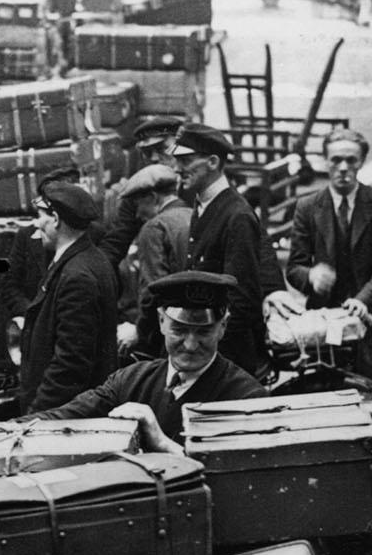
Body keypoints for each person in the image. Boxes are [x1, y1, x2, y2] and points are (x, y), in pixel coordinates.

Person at [37, 271, 266, 449]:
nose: (190, 344)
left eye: (203, 332)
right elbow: (66, 416)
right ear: (161, 322)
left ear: (222, 327)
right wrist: (8, 429)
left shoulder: (246, 399)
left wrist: (161, 442)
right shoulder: (131, 379)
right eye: (179, 329)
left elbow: (233, 480)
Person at [144, 123, 278, 379]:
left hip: (225, 362)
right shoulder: (205, 205)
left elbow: (242, 300)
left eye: (185, 160)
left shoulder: (236, 215)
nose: (176, 168)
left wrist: (212, 358)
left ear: (213, 162)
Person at [276, 128, 372, 388]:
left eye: (351, 160)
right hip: (327, 329)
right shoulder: (307, 206)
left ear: (361, 162)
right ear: (326, 162)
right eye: (336, 160)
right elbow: (294, 268)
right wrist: (311, 276)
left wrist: (362, 301)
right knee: (327, 393)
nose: (343, 168)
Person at [17, 181, 119, 414]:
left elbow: (70, 366)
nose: (36, 223)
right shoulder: (89, 260)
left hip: (64, 419)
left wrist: (37, 415)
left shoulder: (76, 276)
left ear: (55, 219)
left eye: (41, 215)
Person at [114, 163, 191, 354]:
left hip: (168, 337)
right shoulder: (195, 216)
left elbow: (154, 290)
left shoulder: (154, 228)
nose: (138, 214)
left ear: (153, 197)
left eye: (138, 205)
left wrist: (139, 331)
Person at [95, 116, 183, 265]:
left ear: (179, 147)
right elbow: (118, 240)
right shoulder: (138, 192)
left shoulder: (196, 184)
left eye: (162, 149)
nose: (154, 158)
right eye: (147, 152)